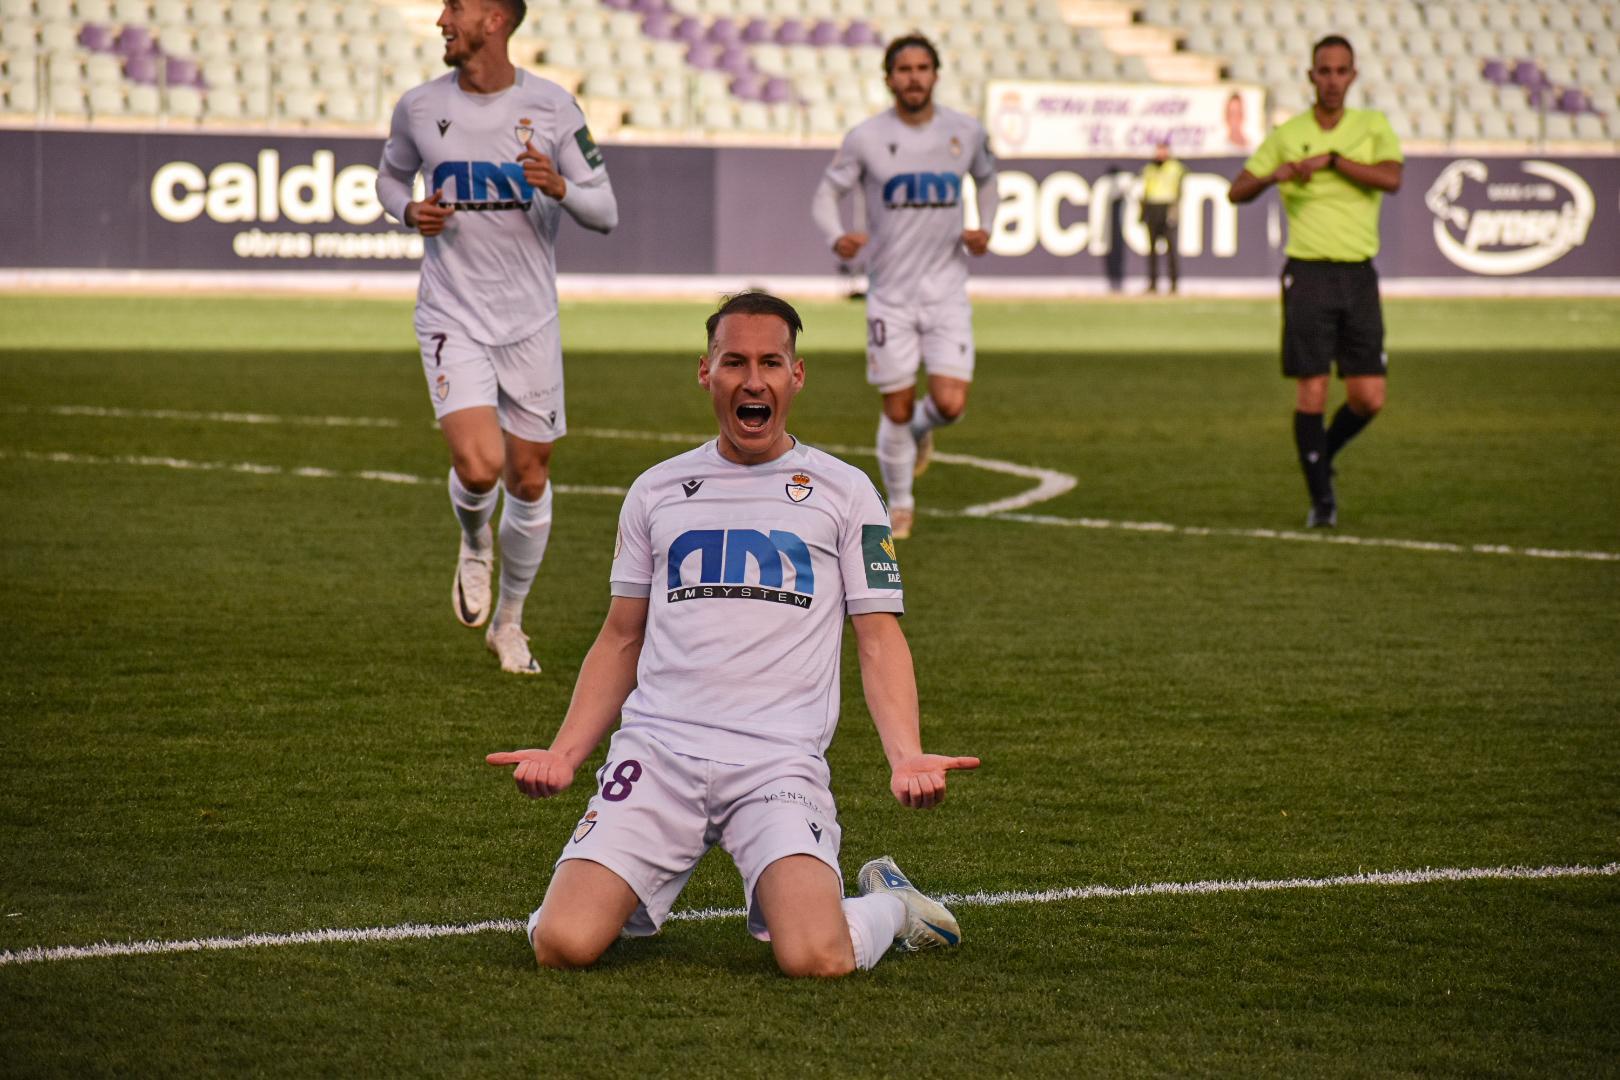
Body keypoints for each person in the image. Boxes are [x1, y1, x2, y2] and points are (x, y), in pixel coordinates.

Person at [487, 292, 981, 978]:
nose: (754, 379)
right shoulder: (656, 491)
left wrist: (906, 755)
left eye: (771, 362)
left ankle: (892, 905)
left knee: (816, 956)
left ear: (796, 376)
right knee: (562, 944)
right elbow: (622, 637)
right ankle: (589, 891)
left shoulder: (846, 492)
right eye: (735, 362)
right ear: (706, 372)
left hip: (777, 764)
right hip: (658, 754)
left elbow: (877, 637)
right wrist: (567, 754)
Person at [375, 0, 618, 673]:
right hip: (452, 312)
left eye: (456, 8)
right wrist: (408, 210)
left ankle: (509, 623)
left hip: (530, 321)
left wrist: (561, 184)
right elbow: (390, 177)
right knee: (480, 467)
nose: (442, 20)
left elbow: (606, 209)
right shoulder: (420, 107)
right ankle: (474, 538)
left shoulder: (552, 106)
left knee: (530, 475)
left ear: (496, 19)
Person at [811, 34, 999, 541]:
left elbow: (987, 178)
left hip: (946, 291)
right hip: (890, 295)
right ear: (888, 78)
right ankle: (900, 504)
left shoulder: (966, 131)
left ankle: (920, 432)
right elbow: (827, 194)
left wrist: (988, 225)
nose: (914, 77)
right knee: (895, 405)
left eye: (922, 68)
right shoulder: (867, 137)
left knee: (951, 404)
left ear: (935, 74)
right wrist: (837, 237)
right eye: (904, 69)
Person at [1227, 35, 1402, 528]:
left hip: (1358, 273)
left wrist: (1332, 161)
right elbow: (1236, 190)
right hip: (1307, 273)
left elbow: (1392, 178)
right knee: (1313, 393)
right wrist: (1274, 174)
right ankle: (1322, 502)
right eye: (1323, 71)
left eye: (1341, 71)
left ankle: (1319, 455)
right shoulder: (1289, 132)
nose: (1332, 80)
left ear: (1353, 76)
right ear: (1310, 77)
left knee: (1369, 397)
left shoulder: (1372, 126)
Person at [1139, 140, 1185, 294]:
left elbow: (1180, 189)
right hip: (1152, 208)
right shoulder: (1149, 168)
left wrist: (1174, 210)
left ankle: (1173, 283)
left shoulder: (1175, 167)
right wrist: (1142, 212)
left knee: (1170, 248)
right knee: (1151, 249)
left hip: (1167, 207)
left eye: (1163, 150)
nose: (1160, 153)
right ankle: (1153, 283)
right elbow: (1145, 191)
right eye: (1158, 150)